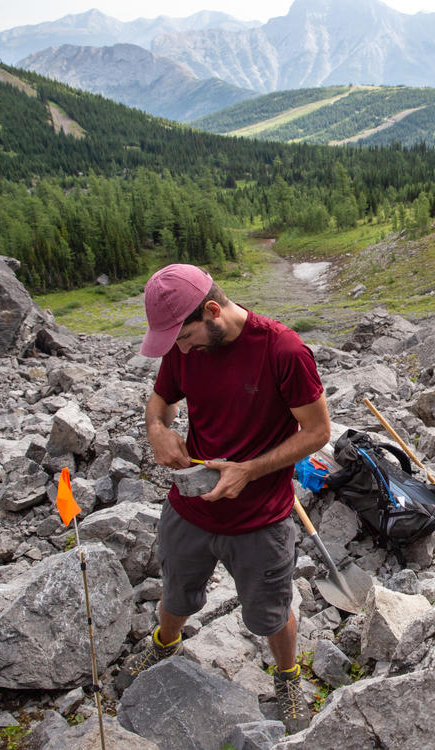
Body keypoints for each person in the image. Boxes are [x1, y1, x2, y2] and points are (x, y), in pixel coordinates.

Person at [117, 263, 331, 734]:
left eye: (185, 337)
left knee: (271, 612)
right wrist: (157, 430)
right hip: (189, 507)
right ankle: (164, 644)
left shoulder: (283, 350)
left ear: (213, 310)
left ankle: (288, 677)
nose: (180, 349)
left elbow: (318, 432)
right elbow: (161, 402)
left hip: (261, 519)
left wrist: (248, 471)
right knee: (176, 591)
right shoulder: (185, 348)